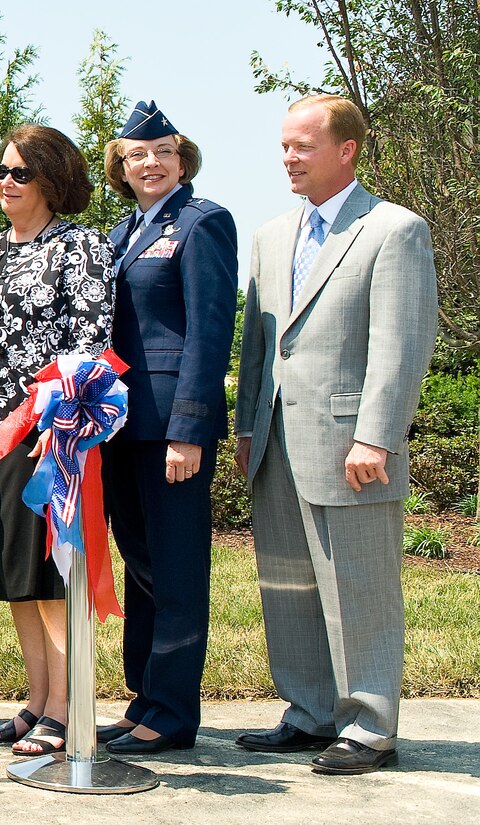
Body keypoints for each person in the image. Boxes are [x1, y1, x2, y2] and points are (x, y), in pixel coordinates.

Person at [233, 93, 436, 776]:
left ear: (346, 149)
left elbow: (400, 342)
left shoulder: (393, 229)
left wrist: (376, 435)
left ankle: (370, 726)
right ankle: (310, 712)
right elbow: (259, 346)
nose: (287, 157)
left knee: (360, 587)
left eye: (302, 145)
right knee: (289, 582)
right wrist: (244, 427)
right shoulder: (269, 235)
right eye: (284, 145)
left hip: (353, 447)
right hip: (278, 444)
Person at [0, 124, 115, 756]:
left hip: (51, 442)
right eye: (0, 171)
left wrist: (57, 426)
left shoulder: (80, 248)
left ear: (51, 181)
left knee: (56, 580)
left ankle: (67, 706)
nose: (4, 182)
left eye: (19, 173)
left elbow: (90, 346)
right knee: (15, 579)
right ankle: (36, 699)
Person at [95, 101, 237, 756]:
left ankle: (174, 711)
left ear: (182, 160)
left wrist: (190, 428)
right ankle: (144, 697)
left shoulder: (201, 223)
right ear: (120, 167)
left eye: (162, 153)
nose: (149, 164)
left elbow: (209, 334)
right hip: (123, 424)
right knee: (141, 566)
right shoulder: (121, 233)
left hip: (170, 431)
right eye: (136, 155)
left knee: (177, 569)